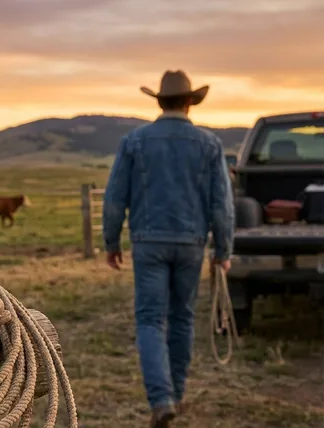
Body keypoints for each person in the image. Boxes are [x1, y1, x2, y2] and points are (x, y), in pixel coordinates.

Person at [102, 70, 235, 428]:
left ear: (160, 102)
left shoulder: (135, 140)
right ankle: (176, 393)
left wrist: (111, 242)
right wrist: (223, 249)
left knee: (150, 318)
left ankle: (160, 399)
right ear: (191, 101)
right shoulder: (209, 144)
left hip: (148, 242)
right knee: (182, 317)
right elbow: (221, 203)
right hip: (191, 242)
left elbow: (115, 198)